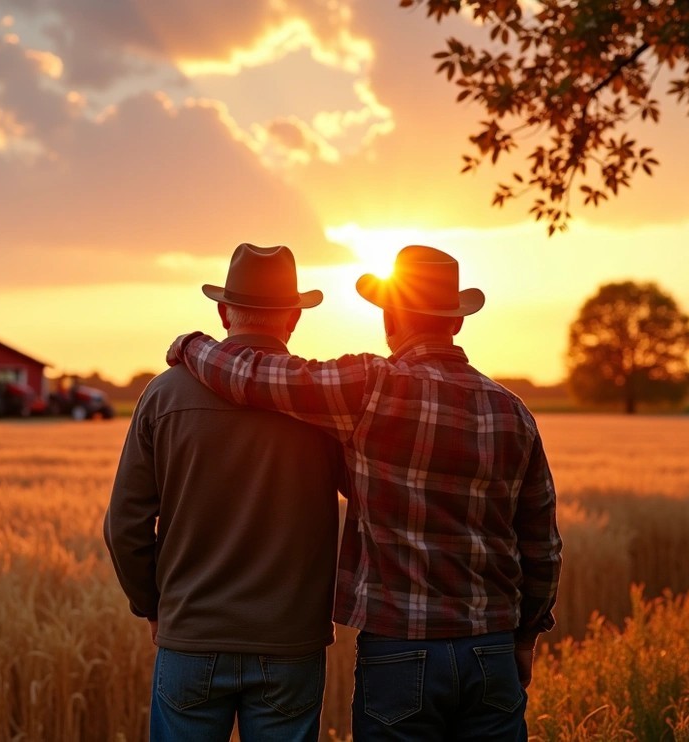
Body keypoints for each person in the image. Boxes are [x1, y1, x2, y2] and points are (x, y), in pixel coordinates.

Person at [167, 245, 562, 740]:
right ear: (456, 322)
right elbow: (543, 547)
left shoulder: (372, 387)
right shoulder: (513, 411)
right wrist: (524, 638)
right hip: (492, 648)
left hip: (399, 650)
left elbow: (253, 376)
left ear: (389, 316)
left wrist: (190, 344)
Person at [104, 243, 346, 741]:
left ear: (222, 313)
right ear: (294, 318)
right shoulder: (319, 402)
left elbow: (124, 526)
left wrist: (153, 606)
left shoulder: (164, 393)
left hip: (191, 634)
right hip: (290, 640)